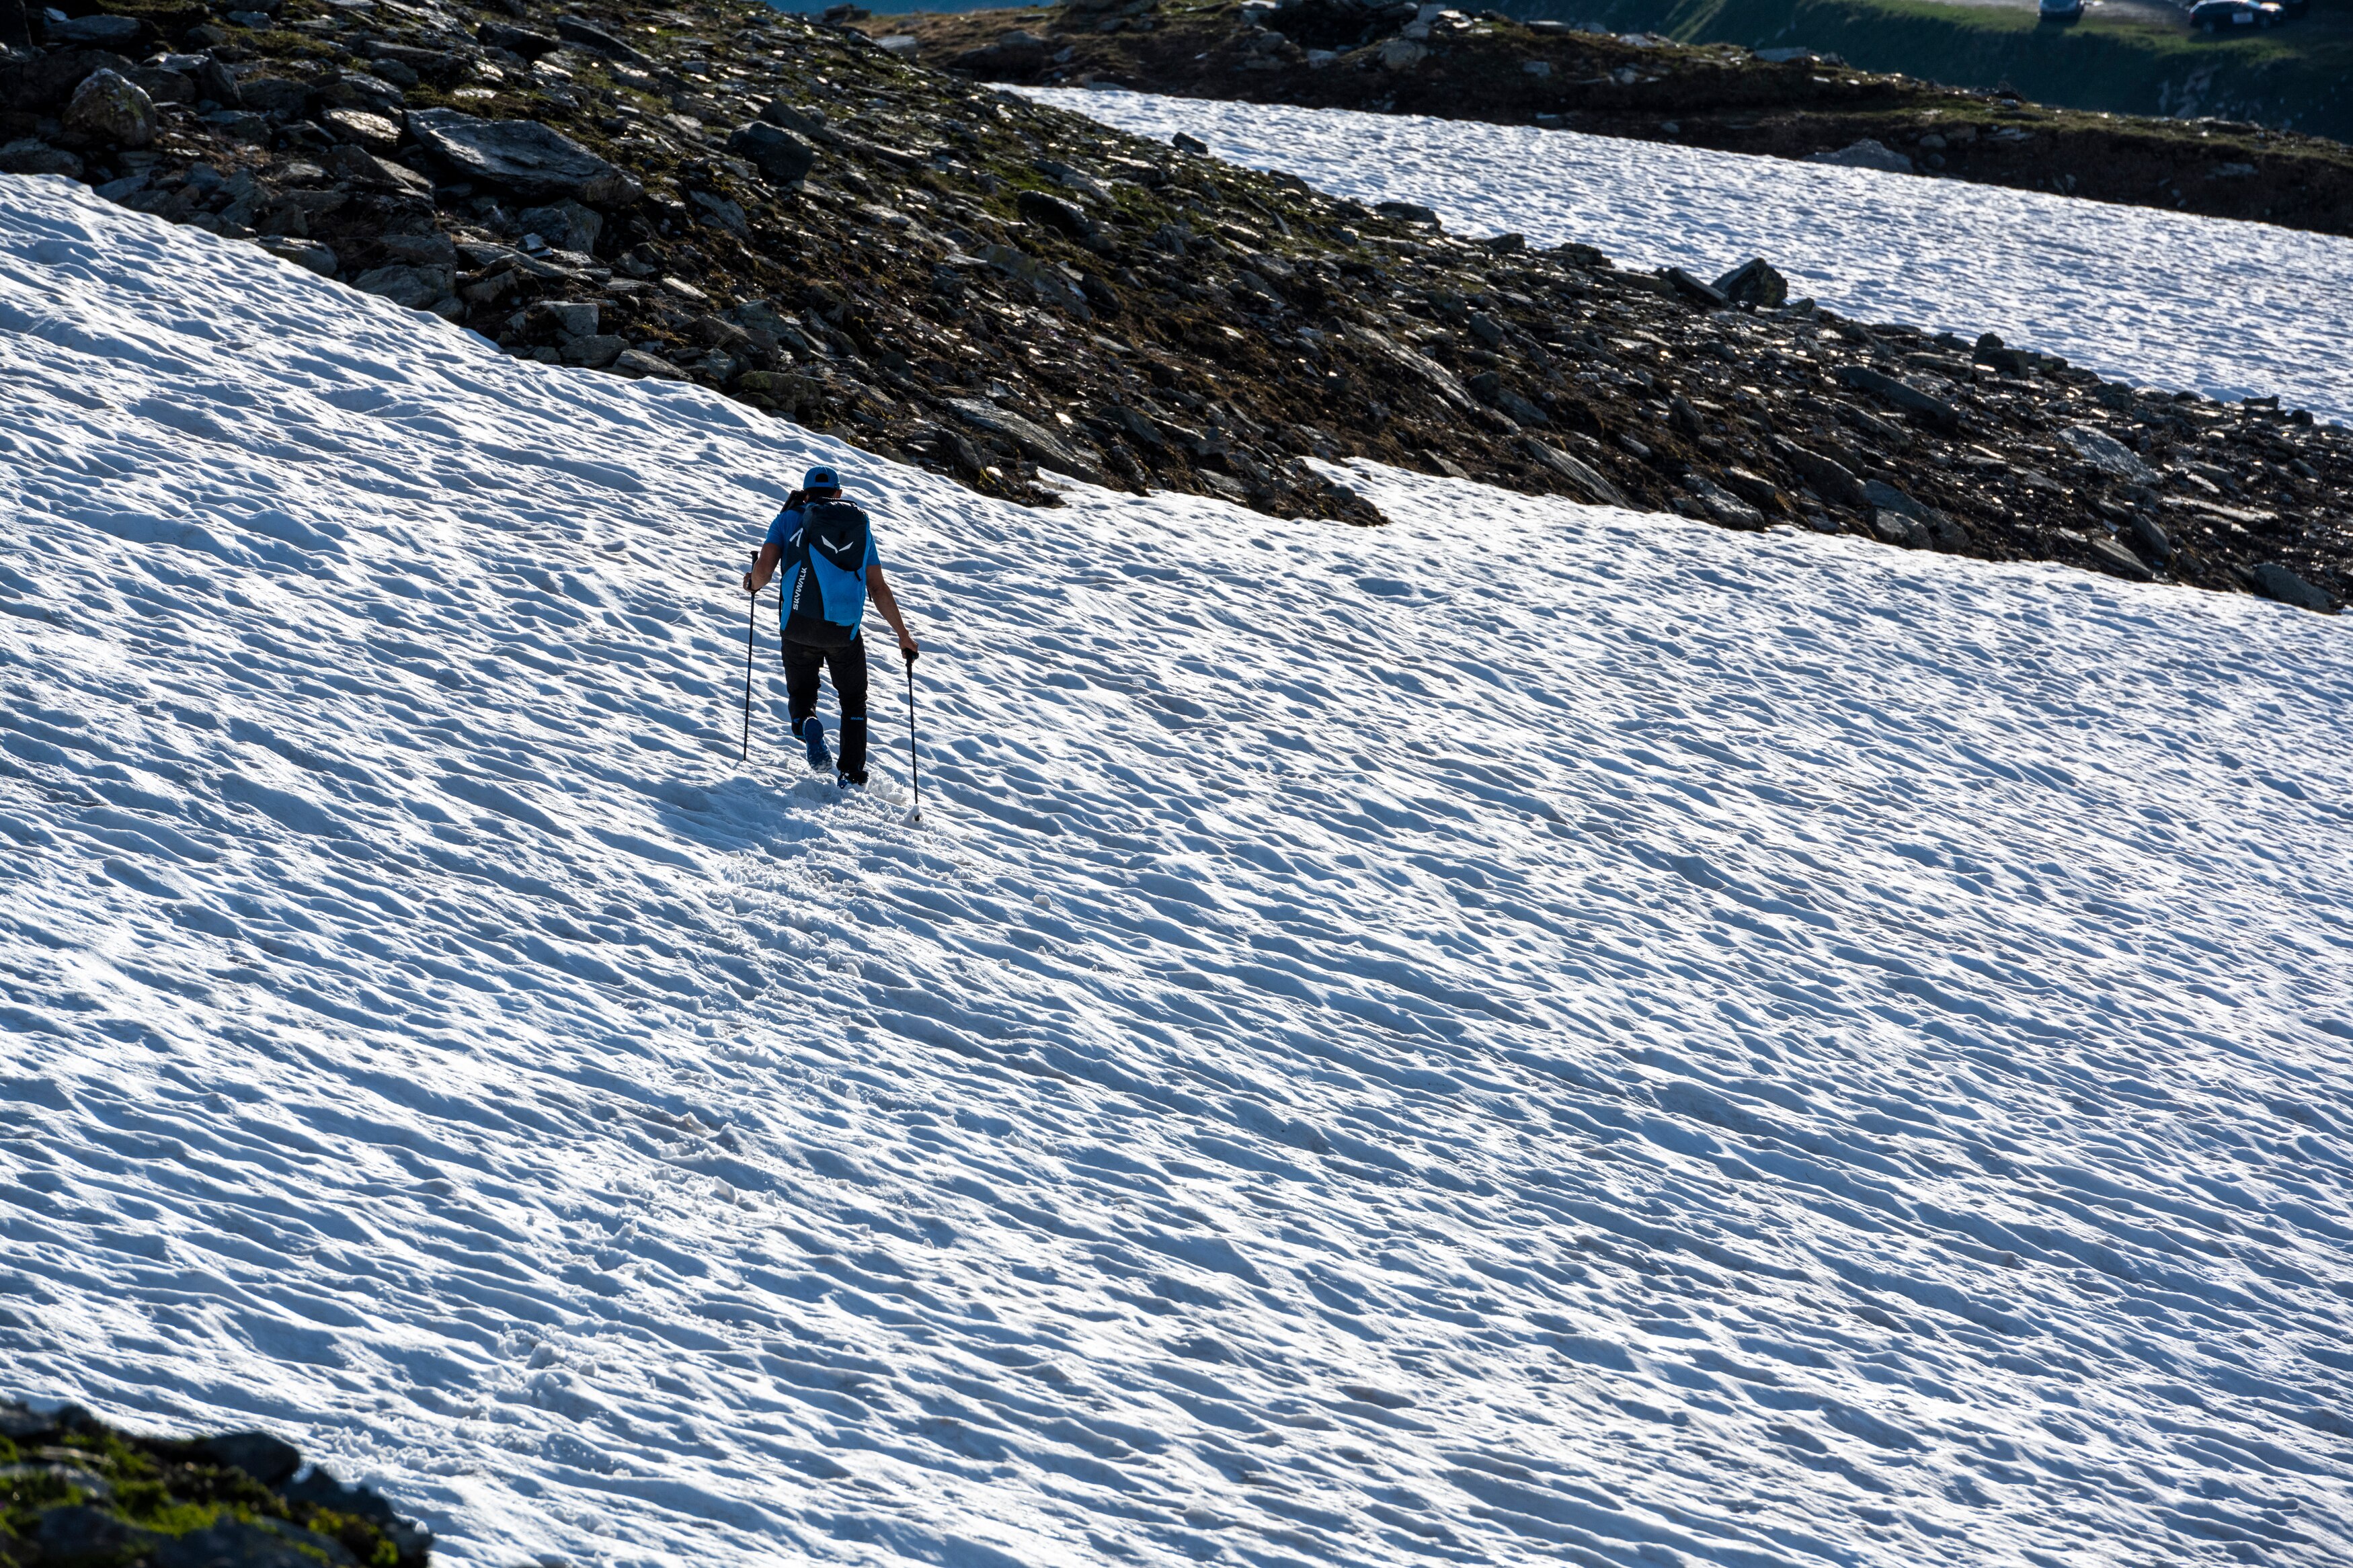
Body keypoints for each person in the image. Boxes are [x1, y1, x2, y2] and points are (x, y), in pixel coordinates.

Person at [742, 464, 920, 787]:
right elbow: (877, 587)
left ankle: (806, 721)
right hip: (844, 633)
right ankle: (851, 774)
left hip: (797, 627)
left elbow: (764, 573)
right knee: (853, 701)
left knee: (802, 692)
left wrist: (751, 583)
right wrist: (903, 635)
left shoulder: (786, 520)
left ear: (805, 493)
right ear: (839, 494)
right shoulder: (859, 528)